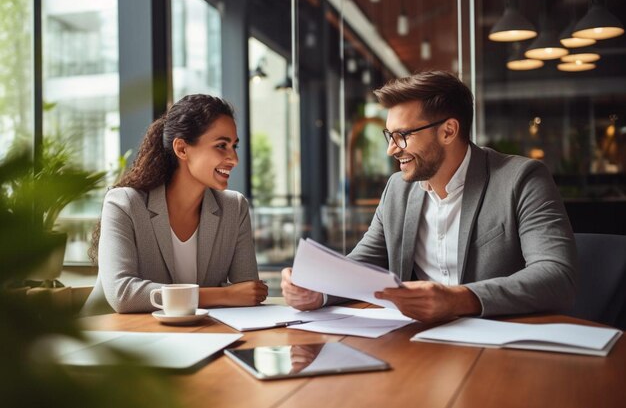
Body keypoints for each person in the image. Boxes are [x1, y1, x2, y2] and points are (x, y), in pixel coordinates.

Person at [281, 71, 577, 323]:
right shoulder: (398, 189)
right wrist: (317, 290)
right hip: (416, 342)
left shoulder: (522, 179)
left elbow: (556, 277)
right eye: (390, 136)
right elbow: (364, 264)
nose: (391, 150)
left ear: (448, 131)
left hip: (499, 345)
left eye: (403, 136)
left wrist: (458, 300)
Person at [84, 94, 267, 314]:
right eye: (221, 146)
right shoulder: (124, 203)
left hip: (192, 337)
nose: (234, 159)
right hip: (111, 338)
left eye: (234, 147)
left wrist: (236, 294)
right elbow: (123, 294)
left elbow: (248, 293)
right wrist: (225, 294)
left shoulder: (234, 208)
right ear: (181, 149)